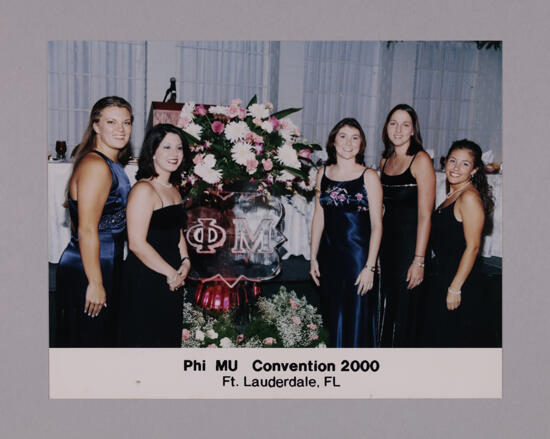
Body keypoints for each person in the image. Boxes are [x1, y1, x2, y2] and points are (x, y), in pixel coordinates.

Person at [55, 96, 133, 347]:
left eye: (126, 122)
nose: (121, 129)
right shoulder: (95, 166)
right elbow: (87, 229)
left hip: (105, 263)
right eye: (111, 122)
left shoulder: (110, 163)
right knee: (88, 344)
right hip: (89, 267)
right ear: (96, 126)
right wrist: (96, 282)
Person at [310, 118, 383, 347]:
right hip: (329, 257)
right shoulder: (322, 173)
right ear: (333, 141)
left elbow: (377, 225)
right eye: (343, 136)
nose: (348, 142)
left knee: (356, 318)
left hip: (357, 259)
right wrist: (312, 257)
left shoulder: (369, 176)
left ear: (361, 144)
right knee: (332, 317)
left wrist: (370, 266)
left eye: (355, 137)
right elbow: (318, 216)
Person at [117, 124, 191, 347]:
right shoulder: (143, 190)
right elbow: (137, 244)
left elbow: (177, 232)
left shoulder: (174, 188)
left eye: (179, 148)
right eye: (166, 147)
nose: (174, 154)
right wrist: (171, 274)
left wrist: (186, 262)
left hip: (172, 277)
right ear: (153, 151)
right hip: (146, 277)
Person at [423, 139, 494, 347]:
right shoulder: (454, 194)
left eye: (465, 164)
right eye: (452, 160)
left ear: (474, 170)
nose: (456, 167)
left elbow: (473, 247)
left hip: (459, 282)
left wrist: (455, 288)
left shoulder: (469, 197)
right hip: (444, 275)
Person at [379, 104, 436, 347]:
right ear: (386, 127)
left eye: (405, 124)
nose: (399, 129)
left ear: (413, 130)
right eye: (393, 123)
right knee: (386, 310)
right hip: (387, 248)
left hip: (411, 250)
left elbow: (426, 215)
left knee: (405, 316)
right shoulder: (384, 161)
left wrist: (419, 260)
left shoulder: (421, 159)